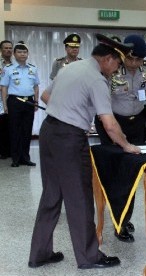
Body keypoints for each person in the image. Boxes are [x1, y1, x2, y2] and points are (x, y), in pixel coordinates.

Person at [28, 34, 140, 269]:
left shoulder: (72, 67)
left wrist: (69, 111)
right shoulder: (96, 79)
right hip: (69, 140)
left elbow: (47, 96)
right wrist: (127, 145)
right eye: (117, 64)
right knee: (79, 198)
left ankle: (40, 254)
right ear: (108, 59)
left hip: (49, 132)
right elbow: (109, 124)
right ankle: (89, 257)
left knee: (51, 195)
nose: (117, 70)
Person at [94, 34, 146, 242]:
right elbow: (102, 103)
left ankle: (123, 217)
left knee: (132, 172)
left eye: (139, 60)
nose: (135, 64)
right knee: (115, 172)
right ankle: (119, 218)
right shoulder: (111, 68)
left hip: (137, 124)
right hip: (112, 124)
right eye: (131, 59)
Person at [0, 42, 39, 167]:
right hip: (14, 102)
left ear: (27, 54)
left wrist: (36, 101)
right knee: (14, 130)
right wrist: (5, 104)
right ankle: (15, 159)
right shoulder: (8, 68)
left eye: (25, 52)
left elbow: (36, 86)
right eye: (20, 52)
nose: (23, 54)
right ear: (15, 54)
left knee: (27, 130)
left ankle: (25, 158)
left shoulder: (33, 68)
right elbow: (4, 87)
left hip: (29, 101)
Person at [0, 40, 13, 159]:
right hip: (0, 99)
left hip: (13, 99)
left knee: (11, 126)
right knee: (2, 126)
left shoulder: (16, 64)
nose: (8, 50)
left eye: (10, 48)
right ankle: (3, 151)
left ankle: (10, 151)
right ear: (1, 50)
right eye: (6, 48)